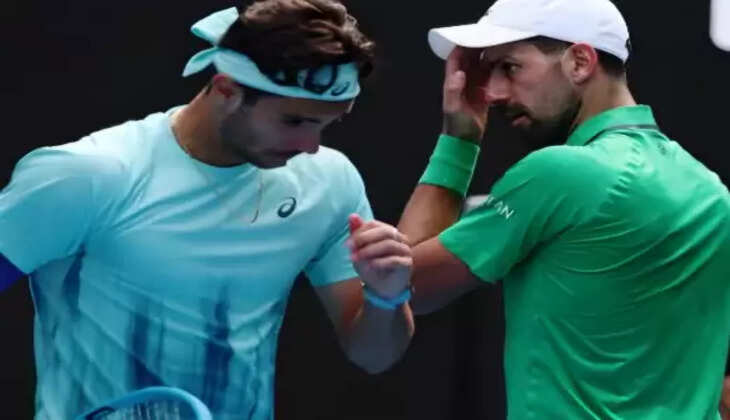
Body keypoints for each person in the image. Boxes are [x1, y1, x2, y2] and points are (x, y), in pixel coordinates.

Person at [0, 1, 415, 419]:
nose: (310, 146)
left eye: (328, 124)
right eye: (293, 122)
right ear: (226, 90)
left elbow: (374, 356)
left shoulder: (329, 180)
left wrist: (386, 296)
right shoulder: (87, 175)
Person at [363, 0, 730, 417]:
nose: (494, 93)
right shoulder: (709, 190)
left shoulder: (559, 173)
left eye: (510, 67)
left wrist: (459, 139)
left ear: (580, 62)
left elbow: (404, 281)